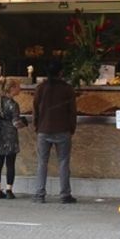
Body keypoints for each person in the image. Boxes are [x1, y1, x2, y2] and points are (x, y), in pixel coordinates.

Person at [33, 60, 78, 204]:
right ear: (61, 72)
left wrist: (37, 126)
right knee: (64, 162)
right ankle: (65, 195)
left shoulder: (41, 88)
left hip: (44, 130)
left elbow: (35, 109)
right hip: (63, 129)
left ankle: (40, 194)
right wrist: (72, 128)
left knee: (42, 163)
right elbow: (72, 111)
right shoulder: (67, 89)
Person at [0, 77, 26, 199]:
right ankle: (9, 191)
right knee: (10, 164)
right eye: (17, 87)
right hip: (10, 137)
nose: (20, 89)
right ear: (11, 89)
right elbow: (16, 123)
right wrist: (24, 123)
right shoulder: (13, 104)